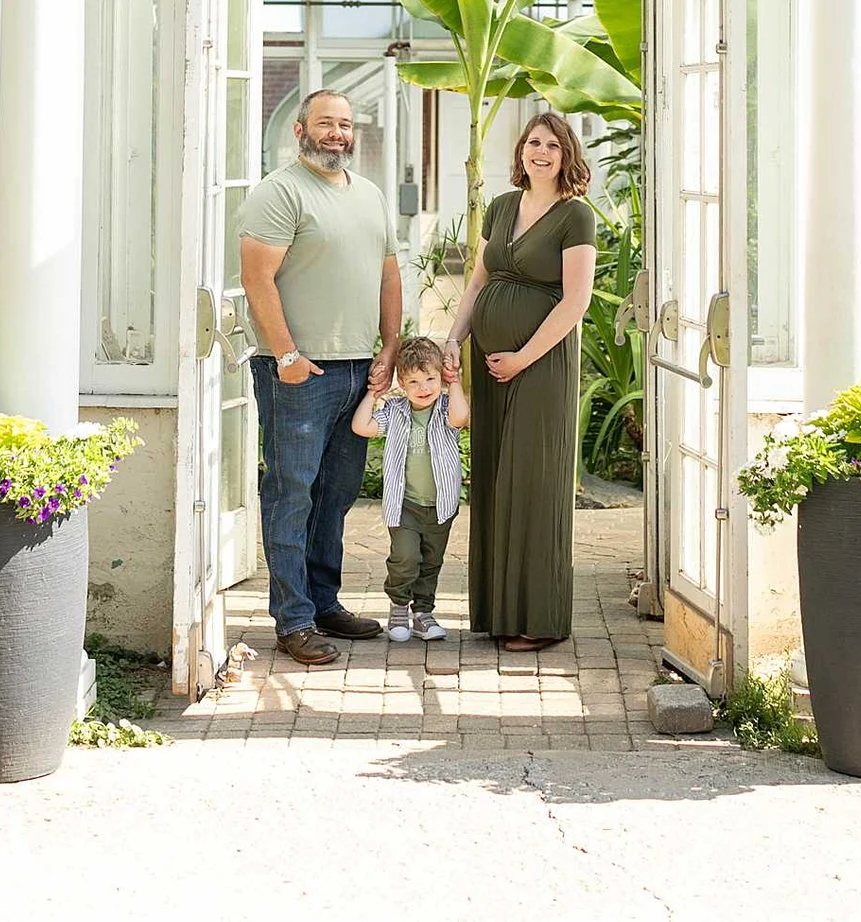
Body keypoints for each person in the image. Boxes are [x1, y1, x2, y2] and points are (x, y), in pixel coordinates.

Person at [236, 89, 404, 667]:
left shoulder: (371, 196)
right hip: (300, 373)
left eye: (345, 125)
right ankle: (294, 620)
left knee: (334, 496)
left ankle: (325, 603)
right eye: (325, 123)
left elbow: (388, 275)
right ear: (300, 130)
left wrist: (390, 346)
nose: (337, 133)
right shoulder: (278, 192)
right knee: (291, 493)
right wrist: (286, 357)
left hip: (361, 369)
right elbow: (256, 279)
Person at [443, 111, 598, 651]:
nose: (541, 152)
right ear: (521, 151)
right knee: (494, 477)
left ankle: (539, 618)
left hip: (541, 364)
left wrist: (524, 357)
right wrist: (453, 339)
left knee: (532, 483)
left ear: (566, 155)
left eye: (553, 145)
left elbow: (575, 301)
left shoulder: (575, 216)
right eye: (534, 142)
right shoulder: (502, 207)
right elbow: (478, 282)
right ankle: (497, 612)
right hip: (493, 365)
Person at [350, 334, 469, 643]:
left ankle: (423, 614)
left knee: (431, 562)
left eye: (430, 379)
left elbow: (461, 416)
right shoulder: (396, 411)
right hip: (405, 504)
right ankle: (400, 605)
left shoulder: (444, 408)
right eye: (414, 382)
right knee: (405, 557)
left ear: (440, 378)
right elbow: (361, 426)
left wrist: (453, 382)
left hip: (440, 505)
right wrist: (374, 393)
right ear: (401, 383)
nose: (424, 388)